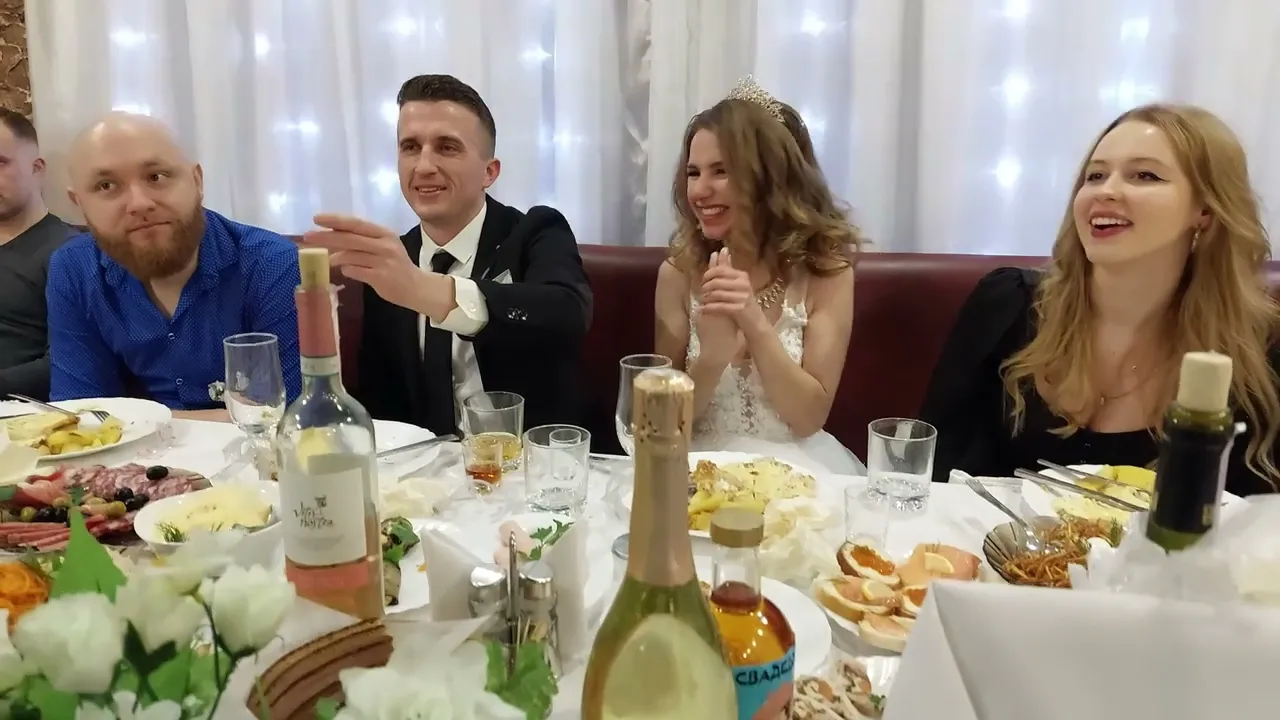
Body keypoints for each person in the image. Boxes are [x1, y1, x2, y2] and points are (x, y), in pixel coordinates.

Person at [920, 103, 1280, 497]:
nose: (1106, 191)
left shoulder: (1261, 350)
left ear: (1205, 210)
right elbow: (930, 470)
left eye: (1144, 175)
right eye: (1095, 175)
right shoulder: (1007, 305)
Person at [303, 74, 591, 436]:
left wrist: (426, 290)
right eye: (410, 147)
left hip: (529, 459)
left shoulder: (536, 230)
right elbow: (382, 401)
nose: (424, 166)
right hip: (423, 464)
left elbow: (567, 314)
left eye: (447, 147)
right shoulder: (394, 259)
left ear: (489, 172)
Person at [653, 77, 864, 474]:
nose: (699, 191)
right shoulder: (677, 274)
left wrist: (753, 322)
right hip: (697, 469)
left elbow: (808, 418)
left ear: (769, 179)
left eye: (721, 171)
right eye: (694, 173)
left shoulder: (827, 274)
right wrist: (712, 357)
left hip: (794, 472)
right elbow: (662, 427)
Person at [47, 113, 302, 419]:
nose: (139, 203)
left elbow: (289, 416)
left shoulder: (272, 264)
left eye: (156, 177)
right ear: (79, 203)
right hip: (138, 452)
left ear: (197, 181)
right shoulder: (73, 269)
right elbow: (80, 414)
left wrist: (131, 419)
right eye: (106, 185)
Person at [0, 110, 76, 399]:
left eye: (0, 163)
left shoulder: (67, 253)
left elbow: (69, 361)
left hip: (26, 414)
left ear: (37, 168)